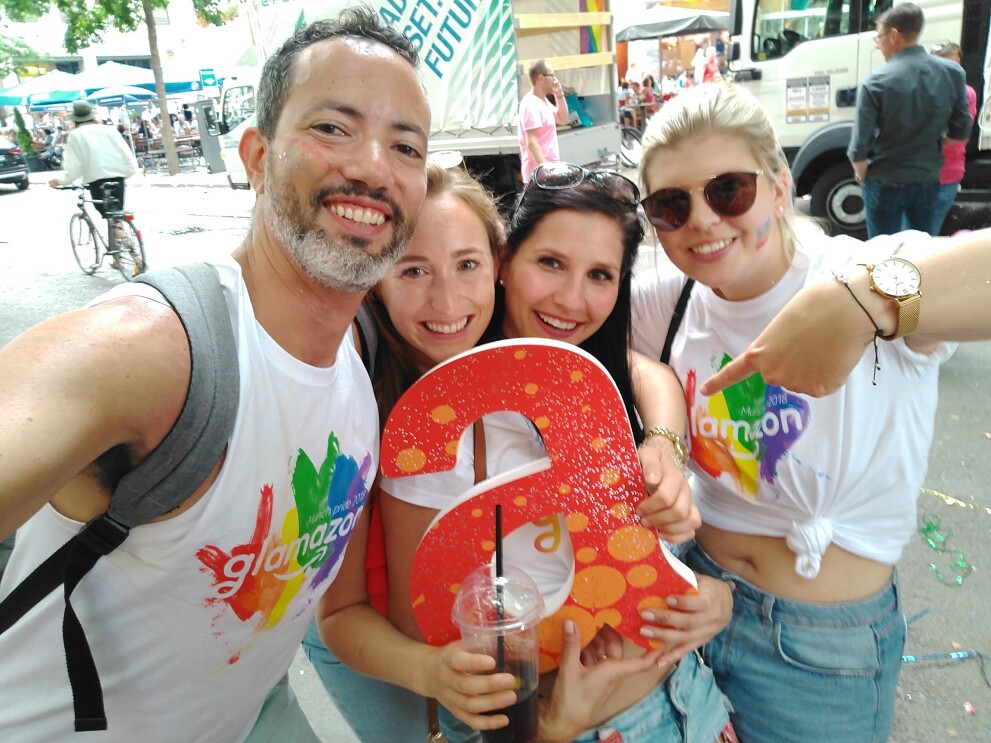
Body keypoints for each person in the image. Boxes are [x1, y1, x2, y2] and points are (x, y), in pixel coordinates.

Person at [0, 9, 430, 743]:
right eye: (333, 128)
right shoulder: (155, 345)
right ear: (257, 157)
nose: (372, 165)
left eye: (406, 145)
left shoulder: (359, 357)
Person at [319, 162, 734, 743]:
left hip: (691, 697)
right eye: (551, 263)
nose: (572, 298)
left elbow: (650, 375)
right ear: (508, 261)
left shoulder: (591, 382)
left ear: (490, 263)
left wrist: (711, 594)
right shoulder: (417, 429)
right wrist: (549, 726)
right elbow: (402, 634)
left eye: (600, 274)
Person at [634, 81, 963, 742]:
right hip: (690, 606)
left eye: (728, 190)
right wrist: (664, 434)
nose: (700, 219)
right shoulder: (665, 302)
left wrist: (860, 303)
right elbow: (586, 341)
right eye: (671, 205)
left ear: (779, 186)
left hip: (818, 652)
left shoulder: (858, 268)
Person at [848, 3, 971, 237]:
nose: (878, 44)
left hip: (884, 180)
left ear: (894, 36)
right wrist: (934, 144)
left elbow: (858, 148)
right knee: (920, 251)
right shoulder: (953, 73)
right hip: (928, 178)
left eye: (879, 37)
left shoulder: (875, 81)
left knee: (883, 253)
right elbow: (961, 130)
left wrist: (861, 174)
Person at [48, 100, 139, 217]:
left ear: (74, 119)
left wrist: (62, 181)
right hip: (118, 177)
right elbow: (125, 152)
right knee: (116, 212)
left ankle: (117, 229)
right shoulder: (109, 129)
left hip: (96, 180)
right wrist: (130, 171)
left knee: (106, 213)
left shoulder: (76, 135)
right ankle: (119, 227)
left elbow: (74, 165)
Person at [929, 41, 978, 233]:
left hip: (946, 172)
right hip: (922, 174)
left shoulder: (966, 93)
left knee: (923, 233)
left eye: (956, 67)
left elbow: (961, 132)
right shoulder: (925, 91)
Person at [517, 59, 568, 183]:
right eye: (552, 75)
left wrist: (559, 94)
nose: (555, 79)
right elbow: (532, 143)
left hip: (547, 172)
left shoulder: (542, 101)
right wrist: (546, 172)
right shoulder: (530, 104)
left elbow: (563, 119)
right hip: (539, 177)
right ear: (541, 79)